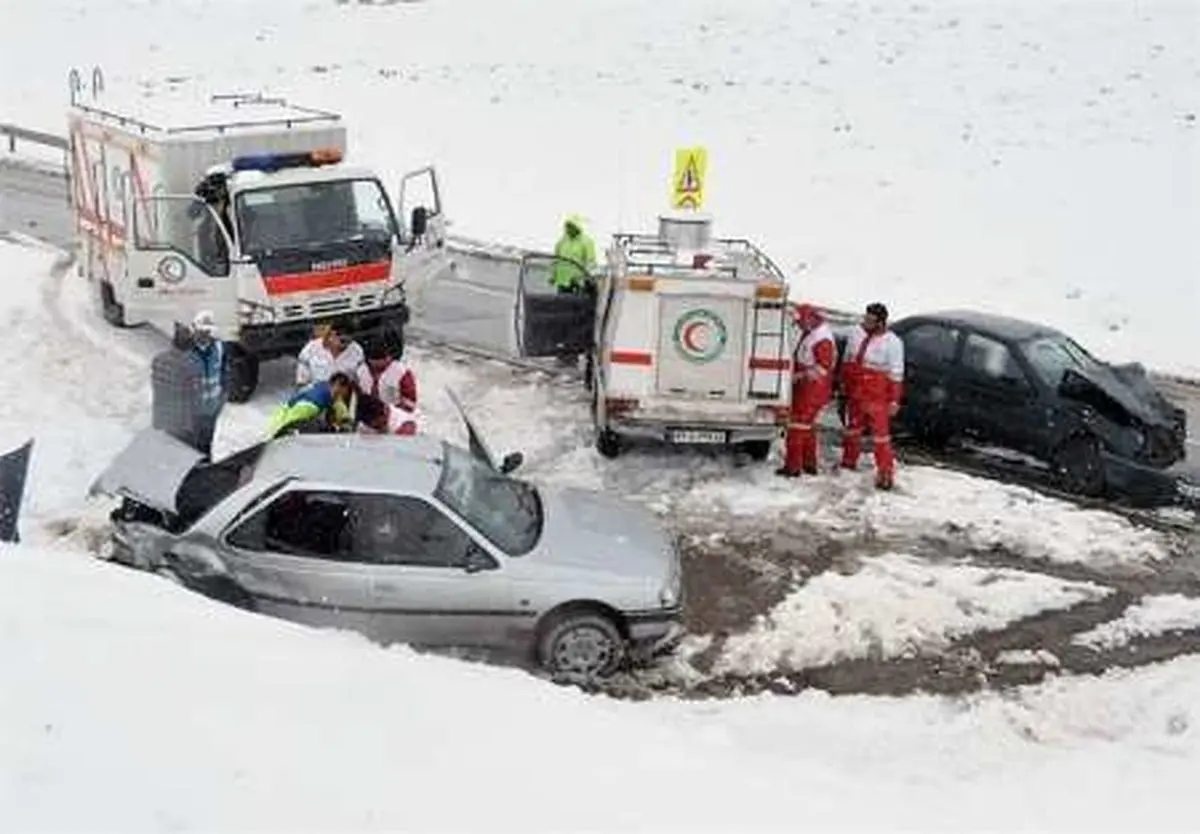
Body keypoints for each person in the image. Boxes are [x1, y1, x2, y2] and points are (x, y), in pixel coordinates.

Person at [839, 302, 905, 490]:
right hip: (856, 391)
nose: (865, 323)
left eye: (870, 320)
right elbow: (848, 359)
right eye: (865, 318)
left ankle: (885, 473)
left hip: (877, 396)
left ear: (881, 323)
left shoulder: (893, 343)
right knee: (852, 429)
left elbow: (896, 374)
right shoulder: (857, 334)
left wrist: (894, 400)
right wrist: (844, 384)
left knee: (880, 437)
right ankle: (848, 462)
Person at [776, 303, 836, 478]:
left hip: (812, 390)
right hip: (810, 388)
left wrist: (800, 376)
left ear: (810, 319)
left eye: (801, 322)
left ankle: (793, 467)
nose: (800, 325)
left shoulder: (822, 339)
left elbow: (822, 368)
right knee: (807, 429)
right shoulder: (813, 333)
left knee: (796, 427)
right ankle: (809, 464)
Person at [188, 310, 229, 458]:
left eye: (208, 332)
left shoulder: (219, 347)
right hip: (191, 410)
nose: (205, 335)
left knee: (207, 442)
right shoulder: (185, 351)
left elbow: (224, 372)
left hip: (212, 407)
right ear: (194, 330)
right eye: (202, 331)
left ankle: (206, 465)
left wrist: (223, 396)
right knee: (191, 446)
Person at [266, 372, 355, 439]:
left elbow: (338, 406)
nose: (345, 395)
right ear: (337, 385)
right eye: (346, 390)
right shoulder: (312, 404)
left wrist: (346, 422)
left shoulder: (324, 386)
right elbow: (289, 424)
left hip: (286, 414)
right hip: (281, 426)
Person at [356, 338, 418, 414]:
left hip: (395, 413)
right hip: (367, 414)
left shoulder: (401, 372)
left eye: (382, 358)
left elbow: (410, 401)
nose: (377, 362)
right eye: (374, 359)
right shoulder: (361, 370)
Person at [295, 321, 365, 387]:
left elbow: (363, 380)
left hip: (345, 392)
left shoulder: (356, 350)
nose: (344, 338)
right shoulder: (311, 348)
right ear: (330, 334)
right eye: (339, 334)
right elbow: (302, 381)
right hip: (317, 393)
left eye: (349, 335)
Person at [550, 215, 597, 294]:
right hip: (562, 282)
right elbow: (555, 261)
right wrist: (552, 276)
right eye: (567, 226)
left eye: (571, 226)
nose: (568, 229)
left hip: (578, 283)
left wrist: (585, 278)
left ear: (576, 227)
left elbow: (591, 262)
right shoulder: (561, 242)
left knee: (575, 304)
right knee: (562, 303)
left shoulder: (587, 242)